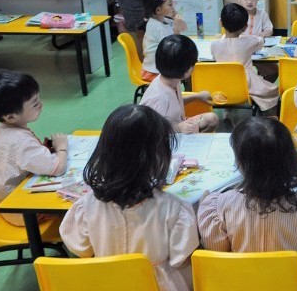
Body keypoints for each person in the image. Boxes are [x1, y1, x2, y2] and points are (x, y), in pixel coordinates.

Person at [60, 104, 199, 291]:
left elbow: (80, 248)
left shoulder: (86, 207)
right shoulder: (174, 209)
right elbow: (180, 259)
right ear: (158, 157)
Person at [198, 117, 297, 291]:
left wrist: (204, 205)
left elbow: (216, 249)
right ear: (290, 161)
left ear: (241, 163)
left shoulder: (221, 206)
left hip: (241, 283)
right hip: (291, 284)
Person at [0, 70, 68, 226]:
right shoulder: (21, 141)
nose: (41, 104)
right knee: (79, 198)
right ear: (11, 117)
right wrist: (62, 148)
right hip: (22, 211)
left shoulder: (4, 129)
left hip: (7, 202)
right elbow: (58, 168)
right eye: (35, 103)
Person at [139, 35, 219, 133]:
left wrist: (197, 97)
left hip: (179, 124)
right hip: (165, 136)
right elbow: (152, 129)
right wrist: (178, 128)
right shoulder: (159, 98)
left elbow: (175, 102)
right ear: (187, 72)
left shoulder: (171, 79)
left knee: (212, 119)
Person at [211, 4, 279, 113]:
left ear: (221, 23)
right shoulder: (250, 41)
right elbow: (260, 42)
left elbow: (214, 56)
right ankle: (268, 115)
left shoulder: (214, 44)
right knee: (273, 91)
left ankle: (228, 112)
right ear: (245, 27)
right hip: (246, 83)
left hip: (222, 84)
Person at [141, 0, 187, 82]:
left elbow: (184, 28)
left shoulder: (164, 20)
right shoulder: (156, 27)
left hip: (161, 66)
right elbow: (172, 50)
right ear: (158, 10)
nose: (173, 7)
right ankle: (181, 95)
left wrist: (177, 19)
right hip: (153, 72)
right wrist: (177, 31)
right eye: (170, 5)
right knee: (187, 71)